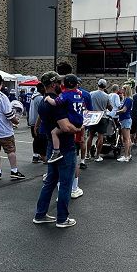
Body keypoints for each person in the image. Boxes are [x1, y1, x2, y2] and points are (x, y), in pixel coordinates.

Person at [33, 72, 82, 228]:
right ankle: (62, 218)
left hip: (51, 146)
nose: (61, 85)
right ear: (53, 84)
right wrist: (79, 128)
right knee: (66, 184)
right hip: (65, 147)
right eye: (59, 82)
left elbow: (40, 126)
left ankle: (40, 214)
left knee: (50, 182)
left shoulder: (42, 102)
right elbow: (66, 127)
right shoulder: (56, 103)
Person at [86, 79, 112, 162]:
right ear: (105, 86)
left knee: (90, 136)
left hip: (92, 116)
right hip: (102, 116)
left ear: (98, 84)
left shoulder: (91, 94)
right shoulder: (107, 96)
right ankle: (97, 155)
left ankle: (87, 154)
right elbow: (110, 108)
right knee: (101, 137)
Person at [28, 81, 48, 163]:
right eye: (44, 88)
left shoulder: (34, 96)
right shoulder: (40, 98)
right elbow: (42, 111)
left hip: (32, 120)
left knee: (36, 139)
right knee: (42, 141)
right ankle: (43, 157)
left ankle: (35, 155)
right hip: (38, 122)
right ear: (41, 88)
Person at [116, 85, 133, 162]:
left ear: (126, 90)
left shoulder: (128, 99)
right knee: (127, 139)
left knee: (126, 139)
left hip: (125, 119)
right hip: (125, 119)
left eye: (123, 89)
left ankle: (126, 155)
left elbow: (124, 110)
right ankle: (128, 155)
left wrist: (116, 112)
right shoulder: (127, 99)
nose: (121, 90)